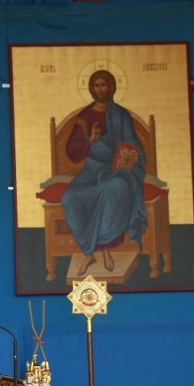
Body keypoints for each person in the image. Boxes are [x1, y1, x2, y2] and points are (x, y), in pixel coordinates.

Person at [58, 70, 148, 272]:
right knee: (69, 197)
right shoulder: (85, 117)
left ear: (111, 87)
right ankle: (89, 254)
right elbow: (72, 152)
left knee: (112, 189)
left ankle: (106, 252)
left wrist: (128, 157)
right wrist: (90, 141)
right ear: (91, 89)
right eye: (96, 85)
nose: (100, 89)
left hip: (118, 170)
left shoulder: (121, 115)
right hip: (92, 170)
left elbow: (133, 142)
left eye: (104, 85)